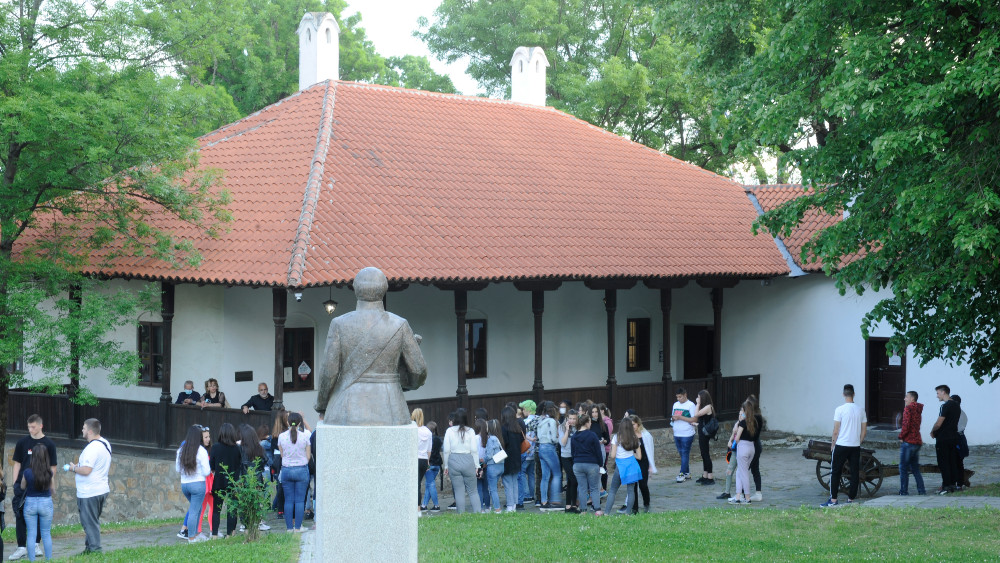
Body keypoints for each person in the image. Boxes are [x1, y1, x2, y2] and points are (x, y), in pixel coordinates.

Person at [10, 414, 57, 562]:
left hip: (40, 485)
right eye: (29, 427)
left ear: (40, 426)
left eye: (33, 427)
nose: (30, 429)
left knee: (36, 520)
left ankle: (35, 545)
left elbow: (53, 467)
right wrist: (15, 483)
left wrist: (46, 481)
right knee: (20, 515)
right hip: (23, 484)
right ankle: (21, 547)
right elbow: (17, 463)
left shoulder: (49, 444)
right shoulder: (23, 442)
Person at [68, 419, 111, 554]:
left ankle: (95, 550)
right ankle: (89, 548)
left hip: (90, 492)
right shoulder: (105, 443)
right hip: (101, 488)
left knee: (89, 523)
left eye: (84, 428)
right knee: (92, 521)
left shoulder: (92, 448)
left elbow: (86, 470)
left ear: (90, 431)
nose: (82, 430)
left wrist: (74, 468)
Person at [821, 384, 867, 507]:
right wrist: (859, 441)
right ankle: (851, 499)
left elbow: (836, 430)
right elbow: (864, 430)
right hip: (855, 446)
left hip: (841, 444)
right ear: (854, 394)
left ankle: (833, 500)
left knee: (835, 472)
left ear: (843, 394)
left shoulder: (839, 409)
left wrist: (832, 444)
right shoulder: (860, 410)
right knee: (854, 472)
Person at [175, 425, 211, 542]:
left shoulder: (181, 450)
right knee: (195, 511)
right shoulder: (201, 451)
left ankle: (195, 534)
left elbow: (177, 469)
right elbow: (206, 471)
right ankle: (191, 538)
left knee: (197, 508)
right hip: (198, 485)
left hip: (185, 485)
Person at [442, 409, 481, 513]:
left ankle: (461, 515)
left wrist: (446, 466)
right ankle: (478, 513)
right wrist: (477, 465)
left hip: (454, 460)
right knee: (473, 491)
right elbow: (474, 450)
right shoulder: (471, 431)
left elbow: (446, 450)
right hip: (468, 460)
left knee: (459, 491)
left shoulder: (449, 431)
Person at [278, 413, 312, 531]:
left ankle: (289, 528)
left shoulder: (281, 436)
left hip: (286, 469)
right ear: (299, 423)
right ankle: (297, 527)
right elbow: (308, 456)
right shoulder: (305, 436)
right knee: (299, 500)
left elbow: (282, 454)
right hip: (301, 469)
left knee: (288, 500)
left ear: (287, 422)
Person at [19, 446, 54, 561]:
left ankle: (32, 560)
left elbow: (22, 486)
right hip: (46, 503)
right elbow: (52, 490)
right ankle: (49, 560)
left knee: (31, 533)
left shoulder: (27, 472)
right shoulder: (49, 472)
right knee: (46, 533)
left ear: (33, 457)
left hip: (30, 503)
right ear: (46, 457)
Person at [602, 418, 641, 515]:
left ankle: (606, 513)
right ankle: (628, 513)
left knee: (613, 490)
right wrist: (632, 454)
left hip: (620, 466)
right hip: (632, 465)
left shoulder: (617, 437)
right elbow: (639, 456)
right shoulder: (635, 437)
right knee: (631, 491)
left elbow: (613, 455)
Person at [238, 424, 271, 532]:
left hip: (243, 478)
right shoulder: (259, 448)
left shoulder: (240, 448)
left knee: (244, 501)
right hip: (257, 478)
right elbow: (268, 461)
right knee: (258, 501)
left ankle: (244, 524)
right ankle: (259, 522)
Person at [571, 413, 604, 515]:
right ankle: (597, 510)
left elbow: (573, 453)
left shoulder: (574, 436)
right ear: (586, 423)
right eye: (590, 421)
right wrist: (600, 464)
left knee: (582, 488)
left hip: (577, 464)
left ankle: (583, 510)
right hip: (591, 464)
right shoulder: (592, 435)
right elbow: (598, 452)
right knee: (594, 487)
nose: (591, 424)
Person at [930, 385, 961, 494]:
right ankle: (952, 484)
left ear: (943, 392)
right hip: (953, 437)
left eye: (938, 393)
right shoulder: (957, 406)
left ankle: (946, 486)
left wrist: (933, 431)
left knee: (943, 463)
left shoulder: (946, 406)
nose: (937, 396)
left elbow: (939, 423)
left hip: (943, 438)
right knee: (952, 461)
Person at [728, 400, 760, 505]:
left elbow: (737, 438)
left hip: (743, 447)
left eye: (742, 410)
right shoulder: (755, 422)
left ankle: (747, 497)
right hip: (752, 448)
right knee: (740, 472)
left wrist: (735, 441)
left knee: (744, 473)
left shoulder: (743, 422)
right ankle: (738, 496)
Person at [624, 414, 657, 513]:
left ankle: (646, 503)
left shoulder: (646, 435)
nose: (631, 427)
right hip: (632, 462)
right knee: (633, 486)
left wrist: (651, 465)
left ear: (638, 424)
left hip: (643, 462)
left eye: (633, 424)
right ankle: (635, 508)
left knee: (643, 485)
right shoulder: (627, 436)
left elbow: (650, 450)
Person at [897, 390, 926, 496]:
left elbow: (906, 425)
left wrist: (901, 436)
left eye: (906, 397)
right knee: (915, 468)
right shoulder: (918, 409)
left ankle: (904, 491)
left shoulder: (908, 409)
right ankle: (921, 490)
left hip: (909, 441)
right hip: (917, 441)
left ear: (912, 398)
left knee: (903, 467)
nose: (904, 399)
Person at [536, 402, 563, 511]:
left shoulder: (540, 421)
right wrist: (558, 438)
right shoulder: (551, 421)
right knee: (557, 474)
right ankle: (555, 500)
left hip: (541, 448)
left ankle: (544, 501)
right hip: (549, 448)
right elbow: (553, 439)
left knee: (545, 476)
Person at [499, 407, 523, 513]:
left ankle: (509, 506)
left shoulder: (504, 428)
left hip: (507, 459)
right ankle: (514, 505)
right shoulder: (518, 428)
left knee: (508, 483)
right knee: (514, 483)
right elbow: (522, 441)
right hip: (517, 458)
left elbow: (503, 444)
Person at [670, 388, 697, 483]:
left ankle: (681, 473)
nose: (678, 399)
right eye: (677, 397)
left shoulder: (691, 405)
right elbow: (672, 417)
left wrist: (680, 417)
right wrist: (673, 419)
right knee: (682, 454)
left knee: (685, 453)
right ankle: (687, 473)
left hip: (687, 433)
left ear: (685, 395)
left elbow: (694, 419)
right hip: (677, 432)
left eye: (680, 397)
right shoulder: (675, 405)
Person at [517, 399, 537, 508]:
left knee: (522, 473)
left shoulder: (525, 422)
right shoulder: (537, 420)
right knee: (531, 474)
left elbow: (524, 438)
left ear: (527, 410)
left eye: (523, 409)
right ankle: (532, 495)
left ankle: (526, 495)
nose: (523, 411)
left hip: (526, 451)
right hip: (535, 452)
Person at [483, 420, 506, 514]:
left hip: (493, 466)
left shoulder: (491, 439)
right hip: (501, 465)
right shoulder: (499, 438)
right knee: (494, 488)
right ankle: (495, 507)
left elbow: (489, 455)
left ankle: (497, 509)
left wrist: (482, 460)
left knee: (493, 489)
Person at [694, 390, 716, 485]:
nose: (697, 399)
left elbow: (696, 414)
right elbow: (703, 421)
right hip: (702, 432)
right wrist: (695, 424)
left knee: (705, 454)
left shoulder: (708, 407)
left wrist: (698, 404)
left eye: (699, 397)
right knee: (703, 454)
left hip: (704, 434)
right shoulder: (705, 407)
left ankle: (710, 477)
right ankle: (705, 475)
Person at [558, 409, 578, 513]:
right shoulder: (561, 427)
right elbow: (563, 443)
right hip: (565, 456)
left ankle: (570, 506)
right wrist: (567, 429)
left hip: (575, 456)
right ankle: (571, 505)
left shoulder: (578, 427)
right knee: (573, 479)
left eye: (574, 418)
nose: (572, 421)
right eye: (570, 418)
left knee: (571, 481)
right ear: (567, 418)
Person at [421, 421, 443, 511]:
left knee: (430, 484)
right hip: (437, 464)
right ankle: (424, 505)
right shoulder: (438, 439)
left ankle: (436, 505)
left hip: (429, 464)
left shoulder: (427, 439)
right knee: (429, 485)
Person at [412, 409, 432, 508]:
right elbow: (429, 450)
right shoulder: (428, 432)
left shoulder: (412, 430)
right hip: (424, 460)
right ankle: (418, 508)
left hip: (414, 459)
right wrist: (427, 462)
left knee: (414, 485)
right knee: (418, 484)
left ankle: (417, 508)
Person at [951, 395, 970, 488]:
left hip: (956, 438)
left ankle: (956, 483)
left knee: (955, 462)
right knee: (958, 463)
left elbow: (954, 428)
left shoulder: (956, 414)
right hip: (960, 437)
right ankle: (959, 483)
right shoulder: (963, 413)